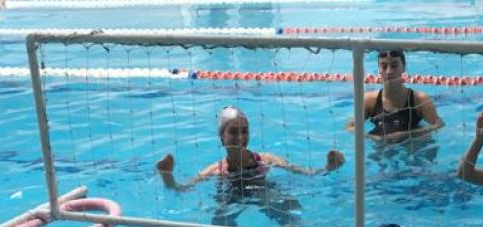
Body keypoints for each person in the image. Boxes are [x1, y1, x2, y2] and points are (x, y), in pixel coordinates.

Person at [156, 106, 345, 191]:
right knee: (220, 222)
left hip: (262, 190)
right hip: (229, 196)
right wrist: (167, 176)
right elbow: (181, 189)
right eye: (234, 132)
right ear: (222, 136)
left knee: (287, 211)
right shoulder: (216, 170)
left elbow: (306, 173)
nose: (240, 137)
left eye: (245, 131)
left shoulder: (265, 159)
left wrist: (327, 169)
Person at [345, 49, 445, 142]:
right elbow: (350, 127)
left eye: (394, 65)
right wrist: (371, 137)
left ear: (404, 68)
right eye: (383, 66)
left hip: (412, 147)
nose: (388, 72)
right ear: (379, 69)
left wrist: (406, 134)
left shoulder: (420, 100)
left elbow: (439, 124)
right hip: (381, 149)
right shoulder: (369, 100)